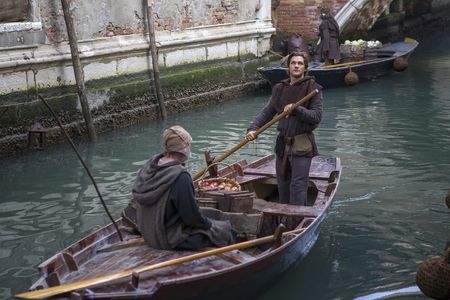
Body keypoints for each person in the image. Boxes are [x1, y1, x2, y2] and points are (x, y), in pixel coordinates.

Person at [128, 125, 235, 250]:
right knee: (226, 231)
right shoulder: (181, 177)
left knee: (210, 216)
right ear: (183, 149)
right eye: (189, 146)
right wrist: (210, 225)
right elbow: (192, 218)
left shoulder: (149, 166)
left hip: (149, 234)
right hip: (167, 239)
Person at [245, 52, 323, 206]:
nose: (296, 66)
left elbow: (316, 117)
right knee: (283, 185)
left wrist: (297, 109)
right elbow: (267, 112)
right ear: (288, 67)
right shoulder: (279, 88)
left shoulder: (313, 88)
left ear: (305, 68)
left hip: (302, 145)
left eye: (300, 63)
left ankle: (297, 221)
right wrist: (253, 128)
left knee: (298, 186)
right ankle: (283, 220)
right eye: (293, 63)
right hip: (282, 144)